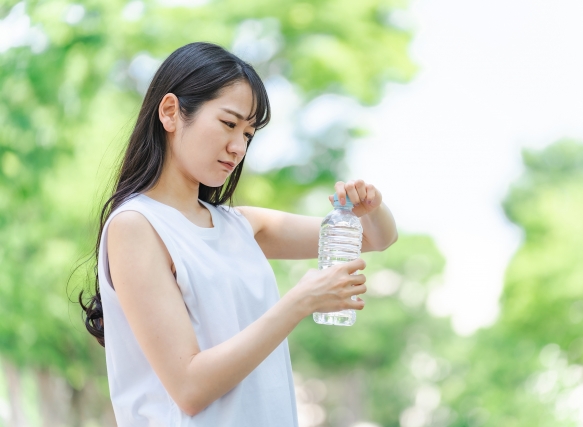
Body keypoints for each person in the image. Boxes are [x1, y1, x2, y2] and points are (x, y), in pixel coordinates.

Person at [79, 42, 398, 426]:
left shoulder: (240, 225)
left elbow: (375, 239)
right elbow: (190, 388)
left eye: (248, 134)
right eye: (229, 124)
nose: (238, 147)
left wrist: (371, 208)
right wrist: (300, 302)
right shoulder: (136, 226)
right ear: (170, 112)